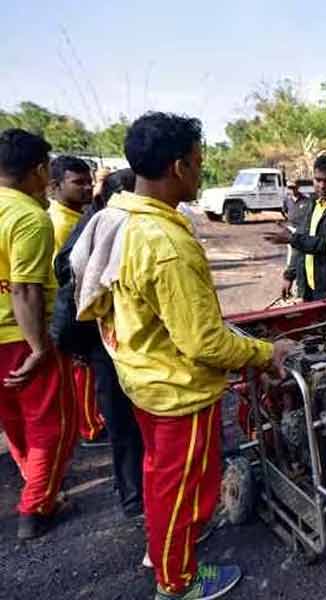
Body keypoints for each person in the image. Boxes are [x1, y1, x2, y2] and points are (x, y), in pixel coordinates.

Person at [71, 112, 294, 600]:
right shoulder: (165, 244)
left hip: (142, 375)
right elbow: (204, 343)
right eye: (198, 162)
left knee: (160, 477)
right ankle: (177, 584)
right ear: (178, 167)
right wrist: (265, 350)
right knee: (186, 493)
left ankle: (164, 554)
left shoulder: (119, 215)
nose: (200, 170)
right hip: (178, 391)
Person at [51, 168, 145, 518]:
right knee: (129, 421)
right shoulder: (112, 227)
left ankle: (134, 495)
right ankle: (140, 500)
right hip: (113, 341)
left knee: (123, 422)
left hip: (103, 340)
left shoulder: (89, 224)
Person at [0, 128, 78, 540]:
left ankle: (36, 485)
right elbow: (25, 288)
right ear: (39, 170)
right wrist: (37, 348)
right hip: (21, 337)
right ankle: (37, 507)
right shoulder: (29, 216)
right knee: (54, 425)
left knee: (13, 421)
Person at [48, 155, 108, 447]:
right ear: (55, 186)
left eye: (89, 182)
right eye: (78, 183)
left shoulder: (77, 217)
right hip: (74, 310)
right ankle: (91, 428)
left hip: (76, 308)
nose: (86, 189)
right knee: (82, 370)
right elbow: (66, 278)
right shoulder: (60, 224)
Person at [266, 156, 326, 301]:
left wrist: (292, 239)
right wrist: (289, 276)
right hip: (308, 285)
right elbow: (301, 240)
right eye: (318, 180)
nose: (322, 186)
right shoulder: (312, 203)